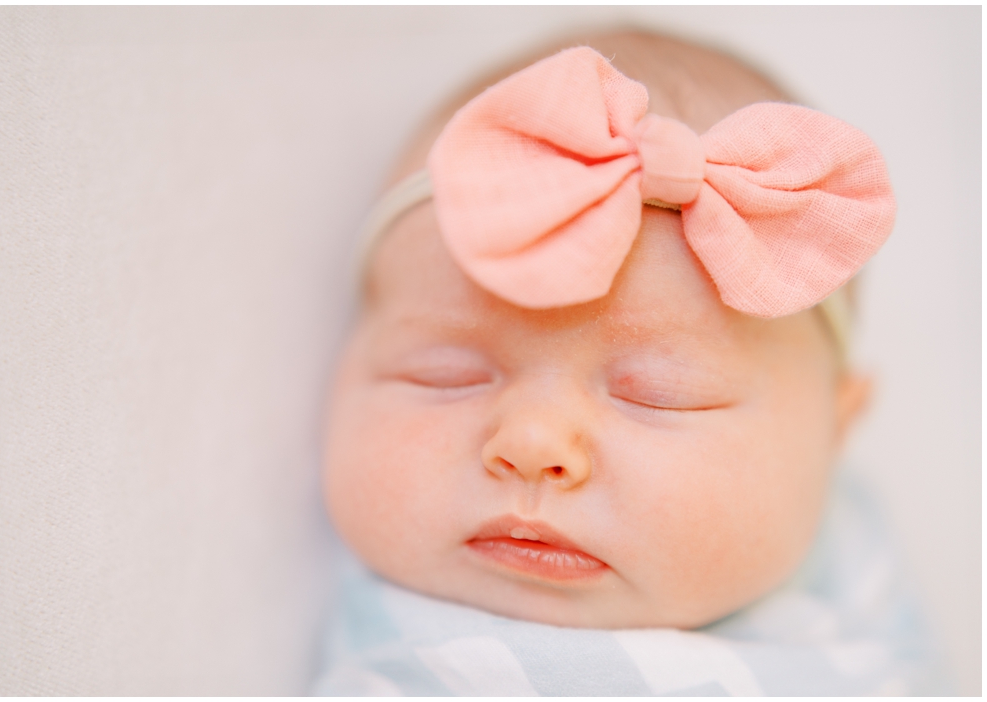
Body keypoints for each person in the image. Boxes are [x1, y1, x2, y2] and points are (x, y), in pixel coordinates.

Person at [313, 30, 945, 695]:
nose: (531, 444)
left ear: (833, 431)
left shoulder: (859, 583)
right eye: (443, 374)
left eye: (660, 394)